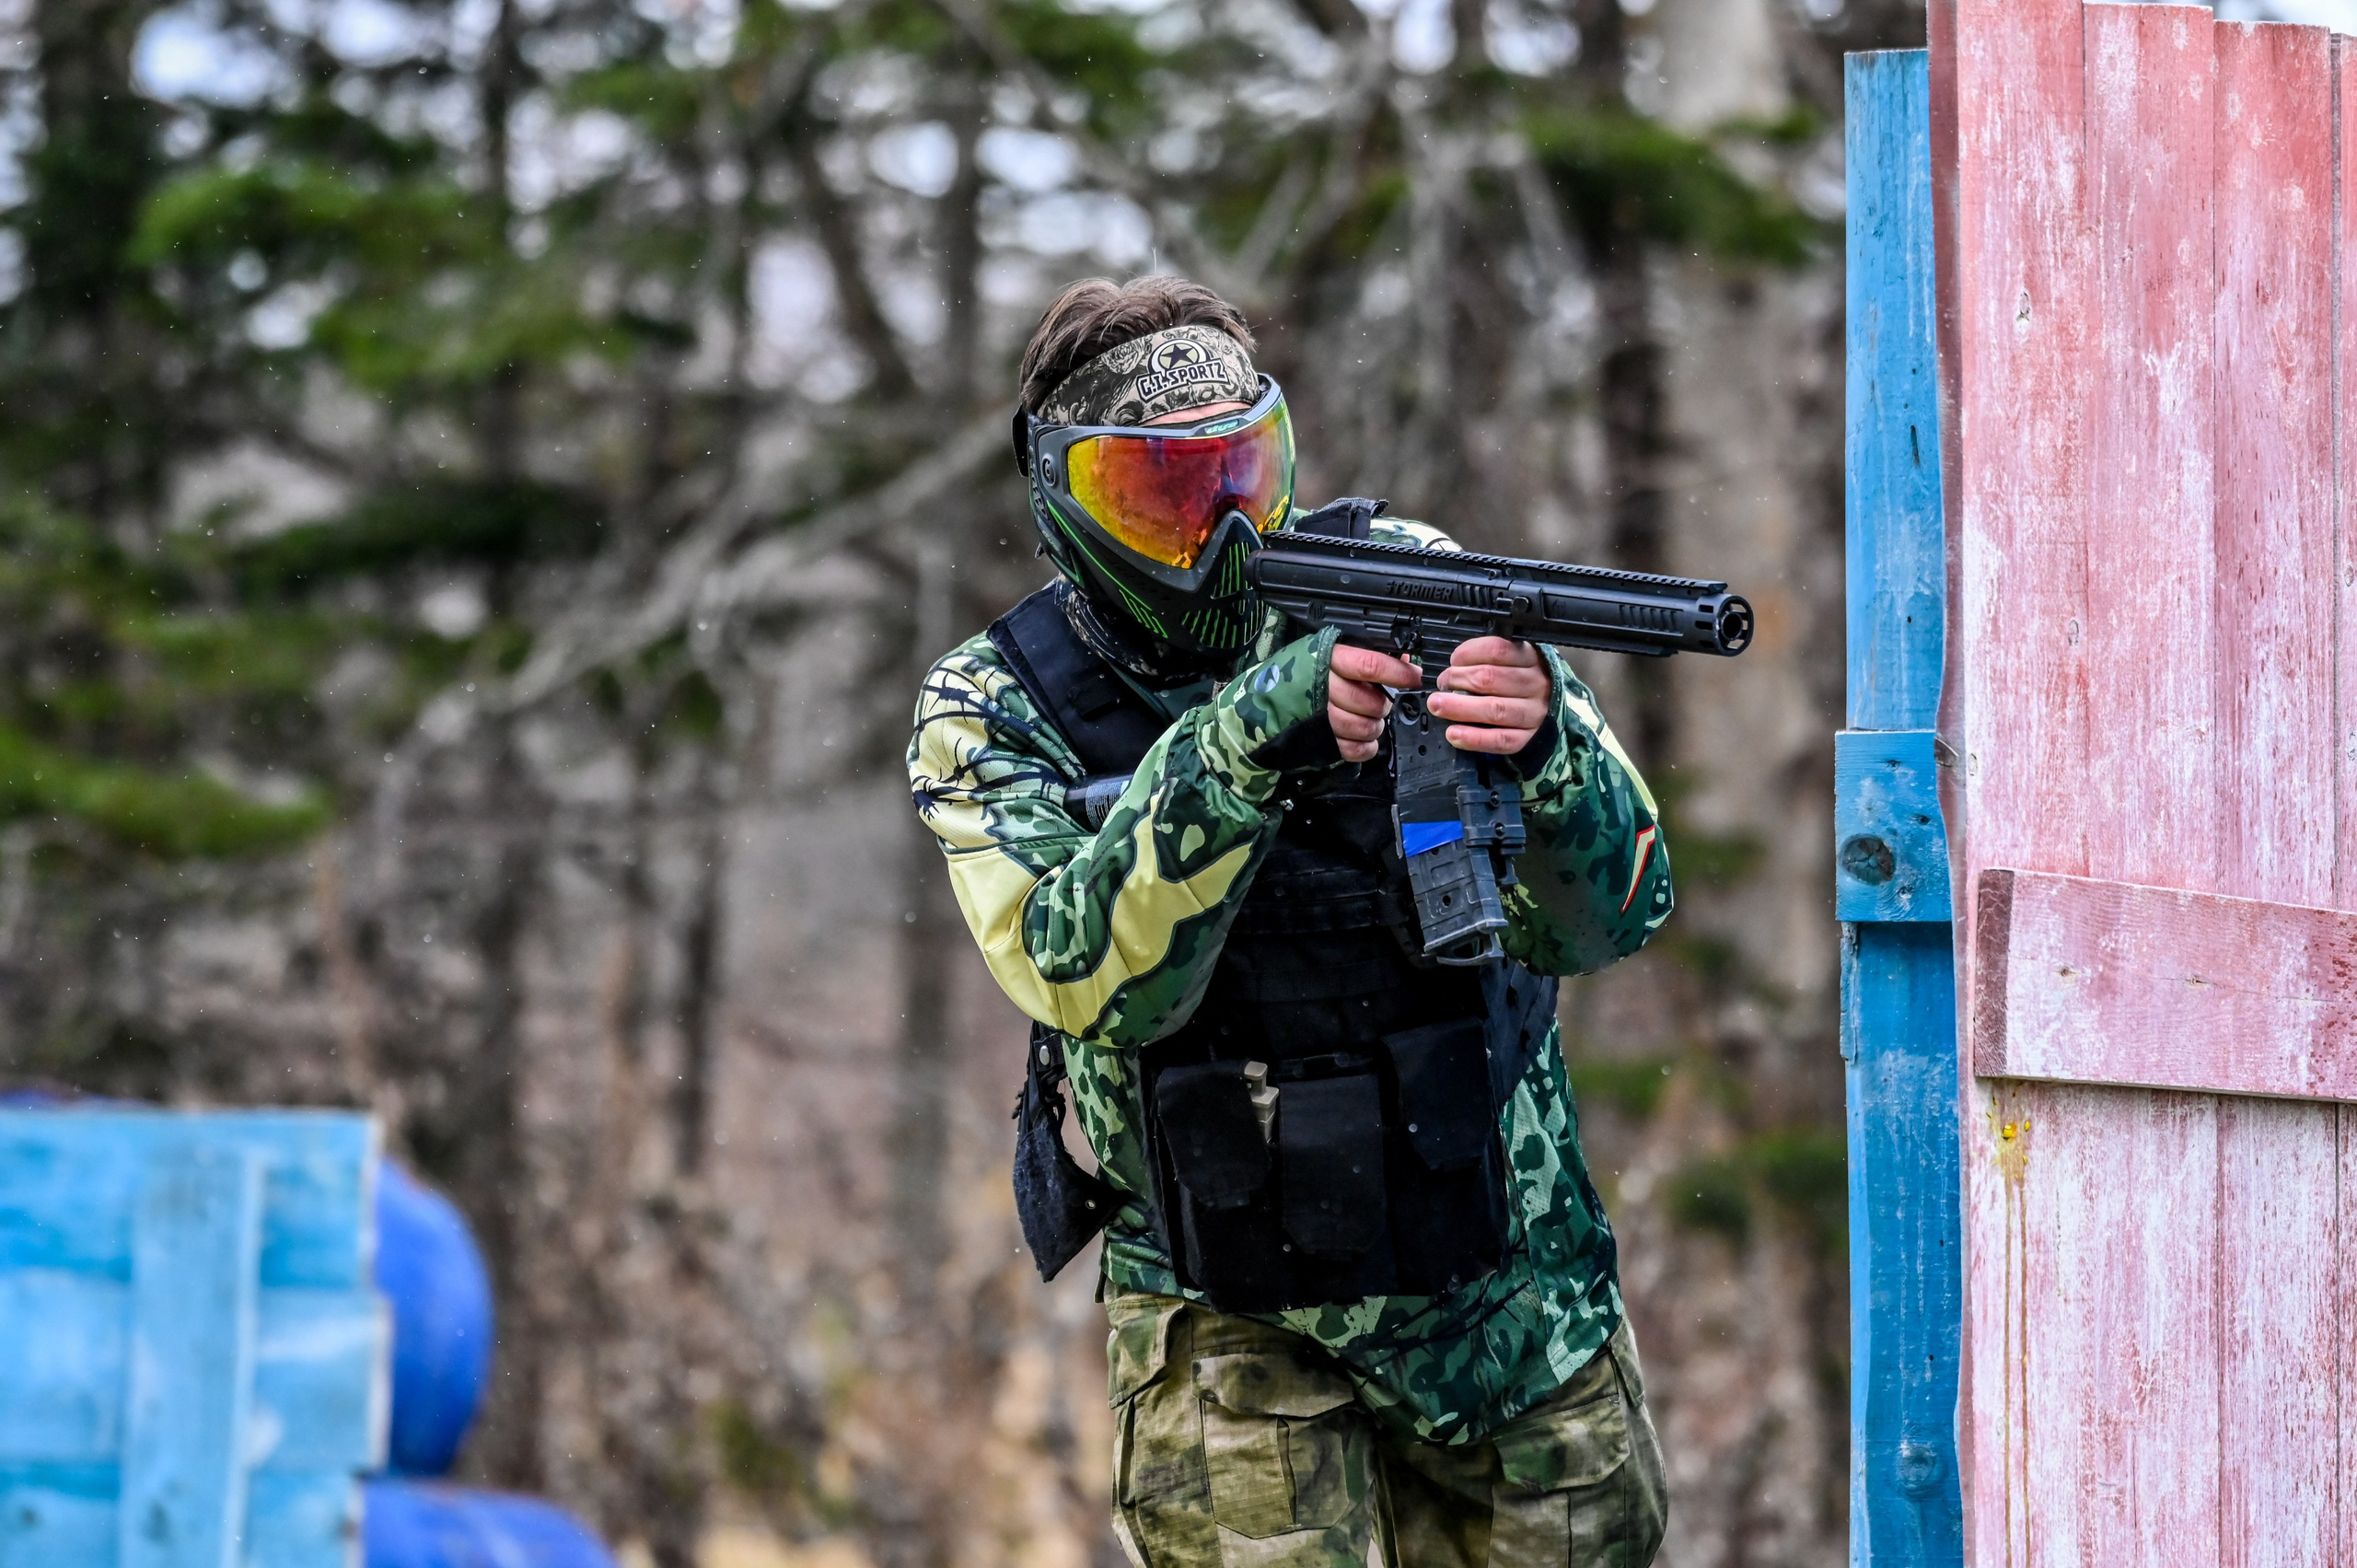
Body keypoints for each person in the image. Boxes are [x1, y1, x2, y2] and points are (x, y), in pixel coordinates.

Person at [908, 275, 1672, 1567]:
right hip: (1227, 1313)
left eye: (1241, 474)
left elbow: (1619, 914)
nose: (1219, 534)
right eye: (1159, 495)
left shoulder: (1409, 581)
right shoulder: (993, 709)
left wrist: (1543, 752)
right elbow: (1087, 976)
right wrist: (1250, 741)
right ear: (1063, 499)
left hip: (1503, 1273)